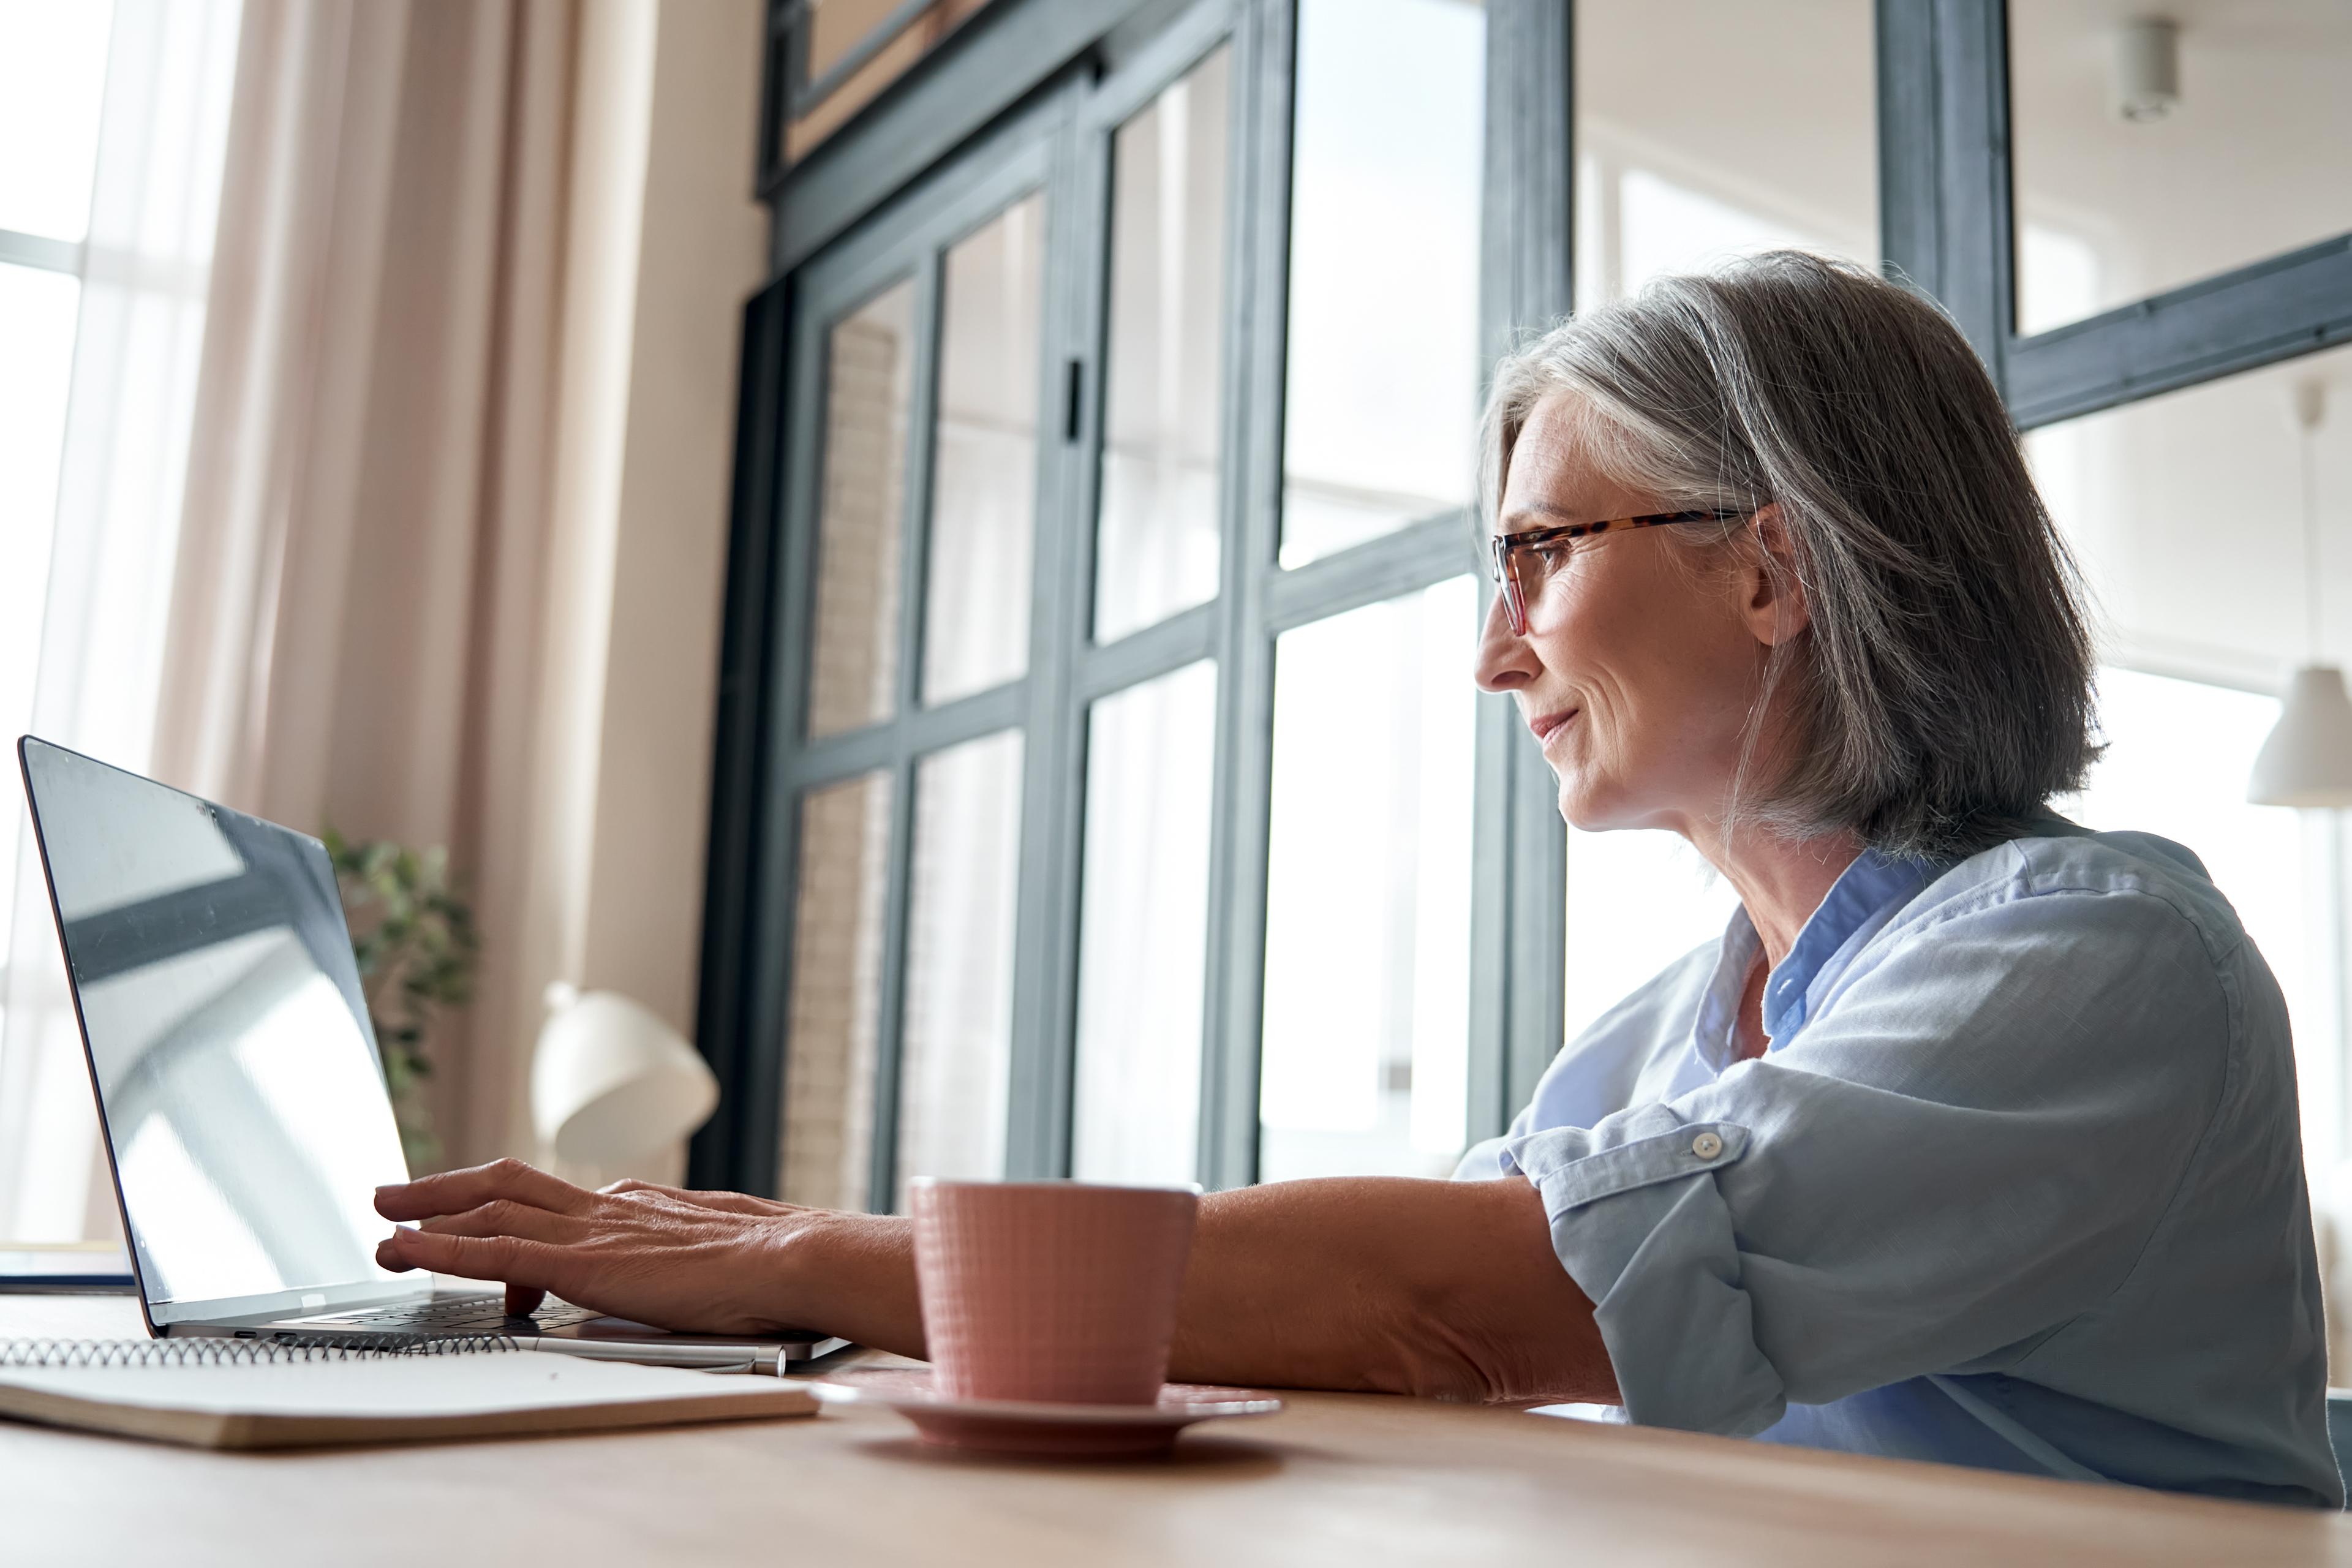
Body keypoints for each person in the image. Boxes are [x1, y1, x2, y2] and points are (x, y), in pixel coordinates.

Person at [375, 251, 2340, 1506]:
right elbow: (1367, 1293)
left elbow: (1467, 1302)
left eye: (1540, 557)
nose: (1498, 657)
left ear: (1772, 567)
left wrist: (803, 1259)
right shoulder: (1672, 1032)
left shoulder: (2102, 962)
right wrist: (800, 1278)